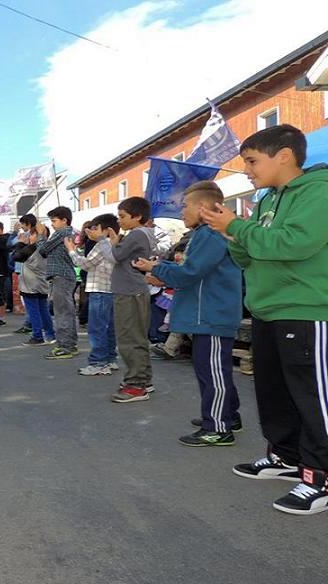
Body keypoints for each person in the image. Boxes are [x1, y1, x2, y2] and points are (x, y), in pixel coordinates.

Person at [202, 124, 328, 515]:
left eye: (253, 161)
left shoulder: (319, 191)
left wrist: (238, 227)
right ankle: (287, 457)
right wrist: (233, 236)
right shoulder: (267, 200)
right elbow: (250, 254)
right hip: (267, 308)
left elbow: (295, 244)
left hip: (305, 308)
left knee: (312, 397)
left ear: (284, 156)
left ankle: (321, 475)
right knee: (274, 392)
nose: (247, 171)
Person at [135, 182, 242, 446]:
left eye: (185, 206)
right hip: (208, 313)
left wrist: (155, 268)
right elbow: (194, 272)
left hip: (210, 315)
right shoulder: (205, 234)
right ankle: (228, 416)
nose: (181, 211)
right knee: (214, 370)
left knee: (212, 372)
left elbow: (190, 273)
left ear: (203, 207)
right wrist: (161, 271)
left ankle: (217, 427)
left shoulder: (210, 234)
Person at [101, 196, 157, 403]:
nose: (119, 220)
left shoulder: (136, 235)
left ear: (138, 216)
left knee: (128, 338)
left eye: (123, 216)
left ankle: (136, 385)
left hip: (129, 292)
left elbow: (114, 256)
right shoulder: (141, 234)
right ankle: (143, 380)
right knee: (137, 337)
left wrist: (105, 241)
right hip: (134, 290)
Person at [66, 214, 118, 375]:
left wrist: (71, 251)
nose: (91, 231)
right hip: (109, 290)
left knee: (97, 328)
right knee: (108, 328)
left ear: (106, 230)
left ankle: (98, 362)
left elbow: (86, 264)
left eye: (95, 228)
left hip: (100, 290)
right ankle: (109, 359)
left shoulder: (102, 245)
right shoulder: (112, 244)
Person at [37, 206, 78, 359]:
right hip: (65, 276)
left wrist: (41, 235)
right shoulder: (68, 232)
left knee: (62, 313)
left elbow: (43, 250)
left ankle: (65, 346)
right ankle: (70, 344)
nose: (52, 224)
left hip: (61, 276)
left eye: (54, 221)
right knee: (67, 311)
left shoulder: (62, 232)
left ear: (64, 220)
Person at [12, 222, 56, 347]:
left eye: (31, 234)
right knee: (43, 311)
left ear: (38, 235)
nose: (29, 237)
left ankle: (37, 336)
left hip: (30, 285)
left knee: (34, 312)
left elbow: (15, 256)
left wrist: (20, 243)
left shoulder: (32, 248)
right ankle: (50, 335)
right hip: (42, 284)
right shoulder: (49, 248)